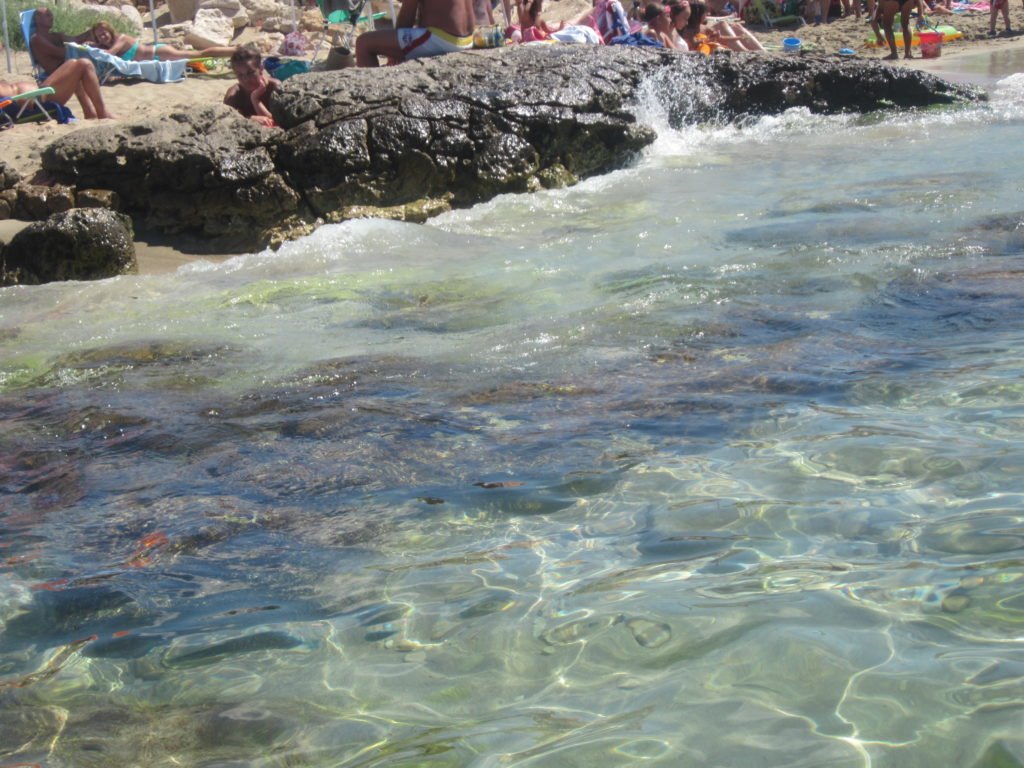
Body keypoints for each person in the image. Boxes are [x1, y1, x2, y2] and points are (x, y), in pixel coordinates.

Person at [355, 0, 476, 67]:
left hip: (442, 39)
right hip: (468, 39)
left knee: (363, 43)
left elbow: (406, 17)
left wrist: (393, 54)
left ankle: (371, 98)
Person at [0, 58, 115, 119]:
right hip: (39, 101)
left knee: (72, 62)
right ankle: (102, 113)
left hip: (40, 91)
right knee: (85, 64)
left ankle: (89, 112)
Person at [90, 21, 237, 62]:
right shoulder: (110, 44)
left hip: (159, 53)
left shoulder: (121, 39)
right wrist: (95, 45)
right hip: (156, 56)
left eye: (104, 33)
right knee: (197, 56)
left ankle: (235, 50)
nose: (102, 37)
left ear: (110, 31)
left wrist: (93, 48)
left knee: (199, 54)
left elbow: (110, 53)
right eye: (99, 36)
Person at [29, 6, 95, 76]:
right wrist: (83, 48)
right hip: (58, 74)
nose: (52, 18)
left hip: (67, 68)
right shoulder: (37, 39)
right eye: (48, 15)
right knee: (86, 63)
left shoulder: (54, 35)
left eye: (51, 15)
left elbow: (76, 40)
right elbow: (61, 53)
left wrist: (92, 32)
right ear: (38, 19)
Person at [223, 48, 280, 128]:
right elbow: (225, 122)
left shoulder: (275, 87)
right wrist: (249, 119)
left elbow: (281, 121)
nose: (246, 79)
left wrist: (255, 98)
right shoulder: (234, 95)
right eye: (240, 74)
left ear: (261, 69)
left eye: (250, 72)